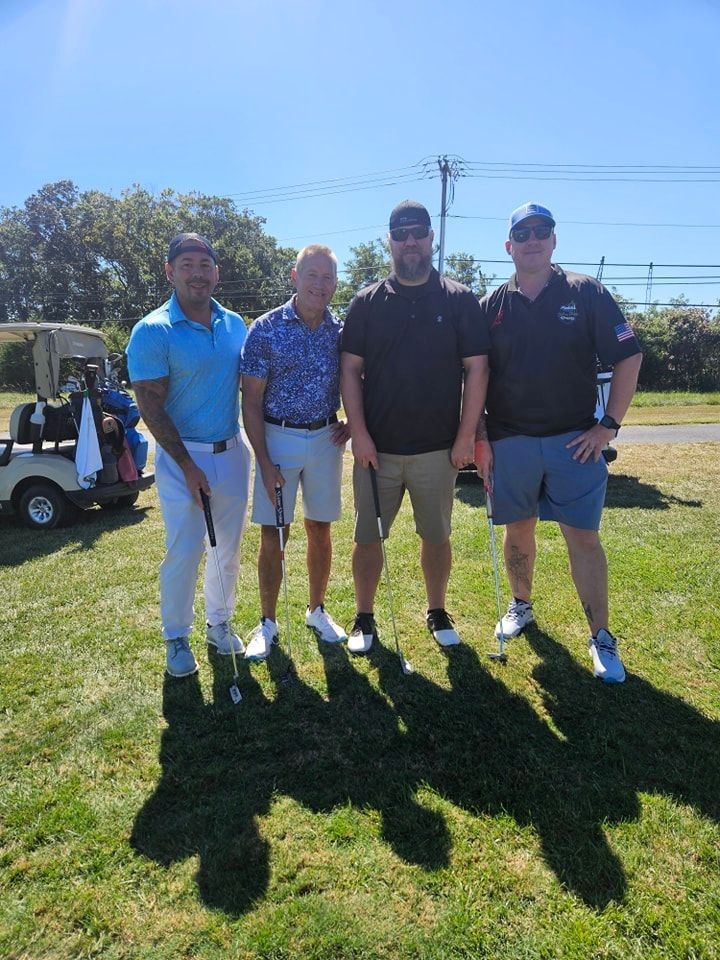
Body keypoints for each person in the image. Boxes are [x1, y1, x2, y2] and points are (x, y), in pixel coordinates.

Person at [474, 202, 643, 683]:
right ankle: (521, 604)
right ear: (509, 246)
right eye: (522, 233)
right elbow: (477, 375)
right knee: (518, 530)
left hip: (576, 442)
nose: (532, 239)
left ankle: (601, 637)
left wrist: (608, 425)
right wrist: (481, 436)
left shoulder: (586, 292)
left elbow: (628, 356)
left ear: (553, 240)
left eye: (541, 231)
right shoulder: (493, 304)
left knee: (583, 539)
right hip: (511, 440)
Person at [340, 200, 489, 653]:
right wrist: (360, 434)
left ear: (430, 238)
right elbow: (349, 370)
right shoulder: (366, 302)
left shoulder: (460, 299)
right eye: (400, 233)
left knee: (437, 537)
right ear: (389, 240)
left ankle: (437, 610)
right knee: (368, 538)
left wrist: (467, 436)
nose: (410, 241)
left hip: (437, 450)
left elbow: (477, 370)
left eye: (418, 233)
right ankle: (364, 618)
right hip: (376, 450)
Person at [127, 233, 251, 678]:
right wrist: (188, 465)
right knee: (185, 548)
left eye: (205, 264)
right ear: (169, 271)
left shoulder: (235, 323)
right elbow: (150, 404)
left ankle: (219, 624)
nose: (197, 273)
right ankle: (176, 636)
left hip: (232, 450)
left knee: (228, 550)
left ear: (217, 272)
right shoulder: (152, 329)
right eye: (186, 264)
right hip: (183, 457)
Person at [240, 244, 350, 661]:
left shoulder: (341, 331)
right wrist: (265, 462)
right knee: (275, 532)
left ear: (335, 284)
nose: (320, 285)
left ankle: (316, 610)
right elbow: (250, 401)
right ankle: (267, 621)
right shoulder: (266, 329)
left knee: (320, 528)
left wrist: (353, 422)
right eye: (312, 275)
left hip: (325, 438)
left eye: (328, 278)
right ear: (295, 276)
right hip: (278, 438)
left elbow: (359, 381)